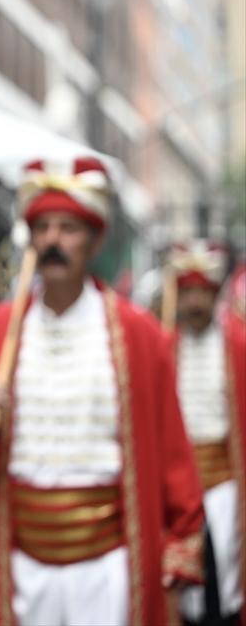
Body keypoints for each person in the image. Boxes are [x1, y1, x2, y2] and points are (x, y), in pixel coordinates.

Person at [0, 158, 204, 626]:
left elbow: (171, 449)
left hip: (108, 565)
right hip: (19, 561)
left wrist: (182, 538)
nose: (52, 240)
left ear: (95, 240)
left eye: (68, 228)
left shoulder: (139, 335)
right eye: (41, 228)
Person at [165, 241, 244, 625]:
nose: (195, 303)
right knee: (184, 581)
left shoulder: (238, 347)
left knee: (228, 567)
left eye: (202, 294)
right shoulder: (165, 348)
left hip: (226, 480)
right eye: (188, 293)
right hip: (179, 485)